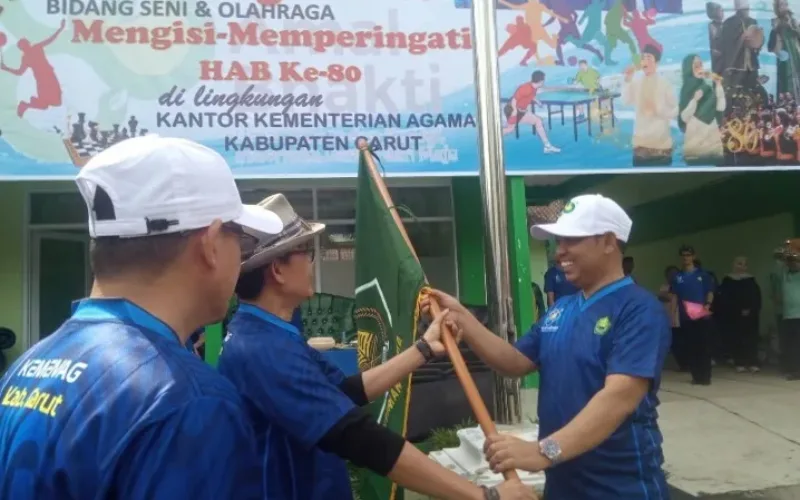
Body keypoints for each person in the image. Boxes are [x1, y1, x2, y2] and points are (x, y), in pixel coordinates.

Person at [0, 135, 286, 498]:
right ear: (211, 244)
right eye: (243, 243)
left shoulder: (31, 365)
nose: (242, 261)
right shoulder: (190, 401)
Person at [217, 194, 535, 500]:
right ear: (277, 270)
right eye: (306, 251)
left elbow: (346, 392)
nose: (311, 262)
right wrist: (485, 494)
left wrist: (424, 348)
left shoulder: (269, 334)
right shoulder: (262, 351)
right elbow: (358, 437)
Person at [424, 194, 671, 500]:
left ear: (609, 241)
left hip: (621, 486)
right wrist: (462, 316)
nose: (560, 251)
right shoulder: (561, 309)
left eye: (572, 240)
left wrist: (544, 452)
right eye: (558, 241)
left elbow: (619, 397)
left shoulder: (639, 309)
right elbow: (514, 362)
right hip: (563, 483)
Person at [622, 44, 678, 166]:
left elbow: (676, 109)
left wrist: (663, 113)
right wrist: (627, 79)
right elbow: (626, 101)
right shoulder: (636, 83)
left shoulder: (665, 84)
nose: (644, 61)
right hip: (640, 145)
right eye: (643, 58)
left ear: (656, 63)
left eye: (649, 58)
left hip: (661, 146)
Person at [671, 245, 716, 385]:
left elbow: (710, 291)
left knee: (704, 346)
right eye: (683, 255)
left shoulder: (703, 275)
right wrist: (672, 315)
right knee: (691, 347)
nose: (686, 258)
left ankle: (706, 376)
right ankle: (696, 376)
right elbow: (674, 296)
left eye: (688, 255)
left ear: (693, 256)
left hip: (701, 315)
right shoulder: (678, 277)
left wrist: (708, 304)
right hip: (686, 316)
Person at [678, 54, 726, 165]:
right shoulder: (686, 90)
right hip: (696, 142)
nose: (700, 68)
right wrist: (694, 100)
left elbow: (720, 108)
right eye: (696, 66)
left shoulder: (707, 88)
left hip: (712, 140)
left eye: (701, 65)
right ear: (689, 69)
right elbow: (684, 118)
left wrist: (718, 86)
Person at [717, 256, 762, 373]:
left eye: (744, 264)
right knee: (736, 338)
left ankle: (752, 362)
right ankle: (739, 361)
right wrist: (737, 310)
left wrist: (750, 309)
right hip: (734, 315)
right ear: (734, 265)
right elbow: (725, 299)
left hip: (751, 316)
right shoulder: (728, 280)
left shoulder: (751, 280)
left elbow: (756, 297)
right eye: (739, 264)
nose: (741, 266)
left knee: (751, 338)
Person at [768, 0, 800, 99]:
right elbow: (770, 46)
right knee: (785, 82)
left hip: (796, 56)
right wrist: (776, 29)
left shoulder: (794, 21)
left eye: (785, 4)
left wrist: (795, 28)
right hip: (783, 57)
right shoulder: (775, 22)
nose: (784, 7)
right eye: (781, 5)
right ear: (777, 8)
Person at [659, 265, 685, 370]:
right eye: (670, 274)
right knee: (674, 343)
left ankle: (686, 363)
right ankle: (681, 364)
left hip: (681, 318)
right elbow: (662, 296)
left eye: (675, 273)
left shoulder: (683, 285)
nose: (672, 276)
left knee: (683, 341)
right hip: (669, 319)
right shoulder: (664, 287)